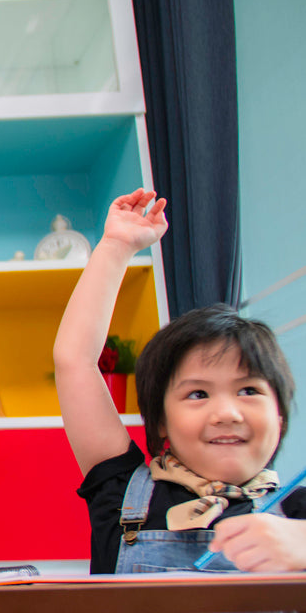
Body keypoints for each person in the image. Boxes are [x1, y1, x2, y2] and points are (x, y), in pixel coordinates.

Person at [55, 187, 305, 573]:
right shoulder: (119, 490)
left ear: (281, 417)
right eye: (198, 393)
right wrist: (116, 247)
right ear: (160, 421)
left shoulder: (297, 513)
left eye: (249, 390)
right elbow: (74, 361)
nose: (227, 412)